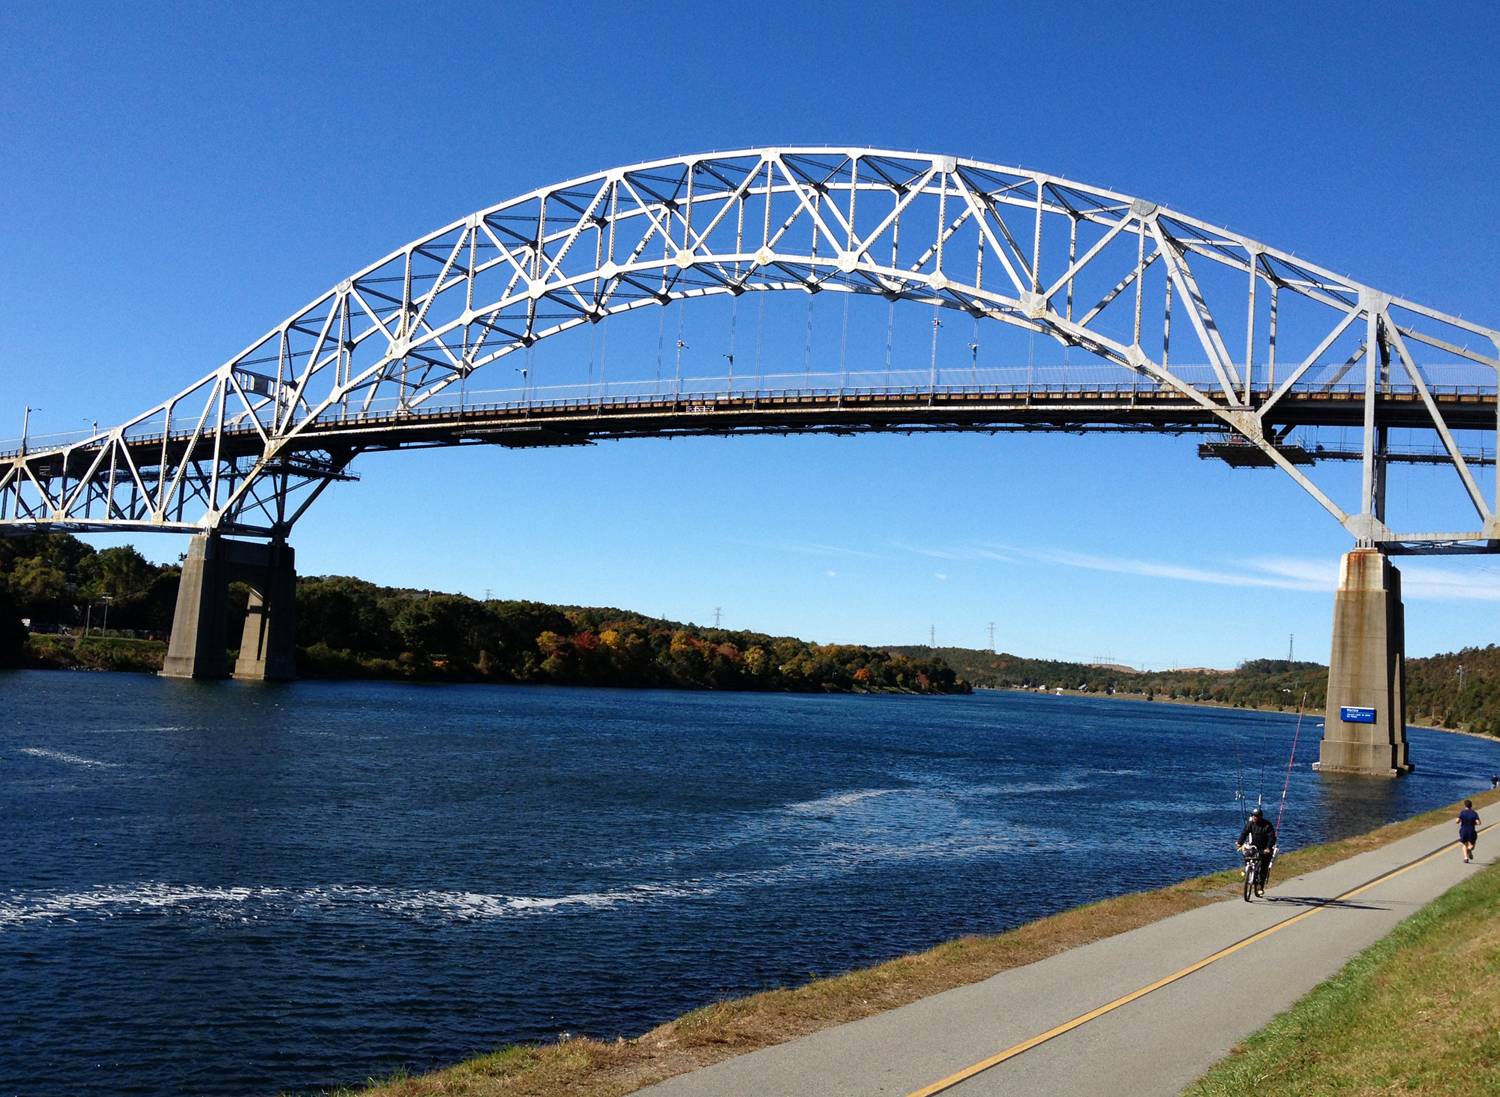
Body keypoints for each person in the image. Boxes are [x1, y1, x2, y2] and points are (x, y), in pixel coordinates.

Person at [1236, 806, 1277, 897]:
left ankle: (1260, 887)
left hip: (1265, 848)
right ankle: (1247, 869)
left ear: (1260, 817)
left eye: (1256, 816)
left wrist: (1268, 848)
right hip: (1254, 846)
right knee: (1247, 854)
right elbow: (1244, 833)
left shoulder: (1267, 825)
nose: (1254, 817)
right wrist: (1240, 843)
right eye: (1253, 815)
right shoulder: (1250, 824)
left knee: (1263, 867)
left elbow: (1272, 838)